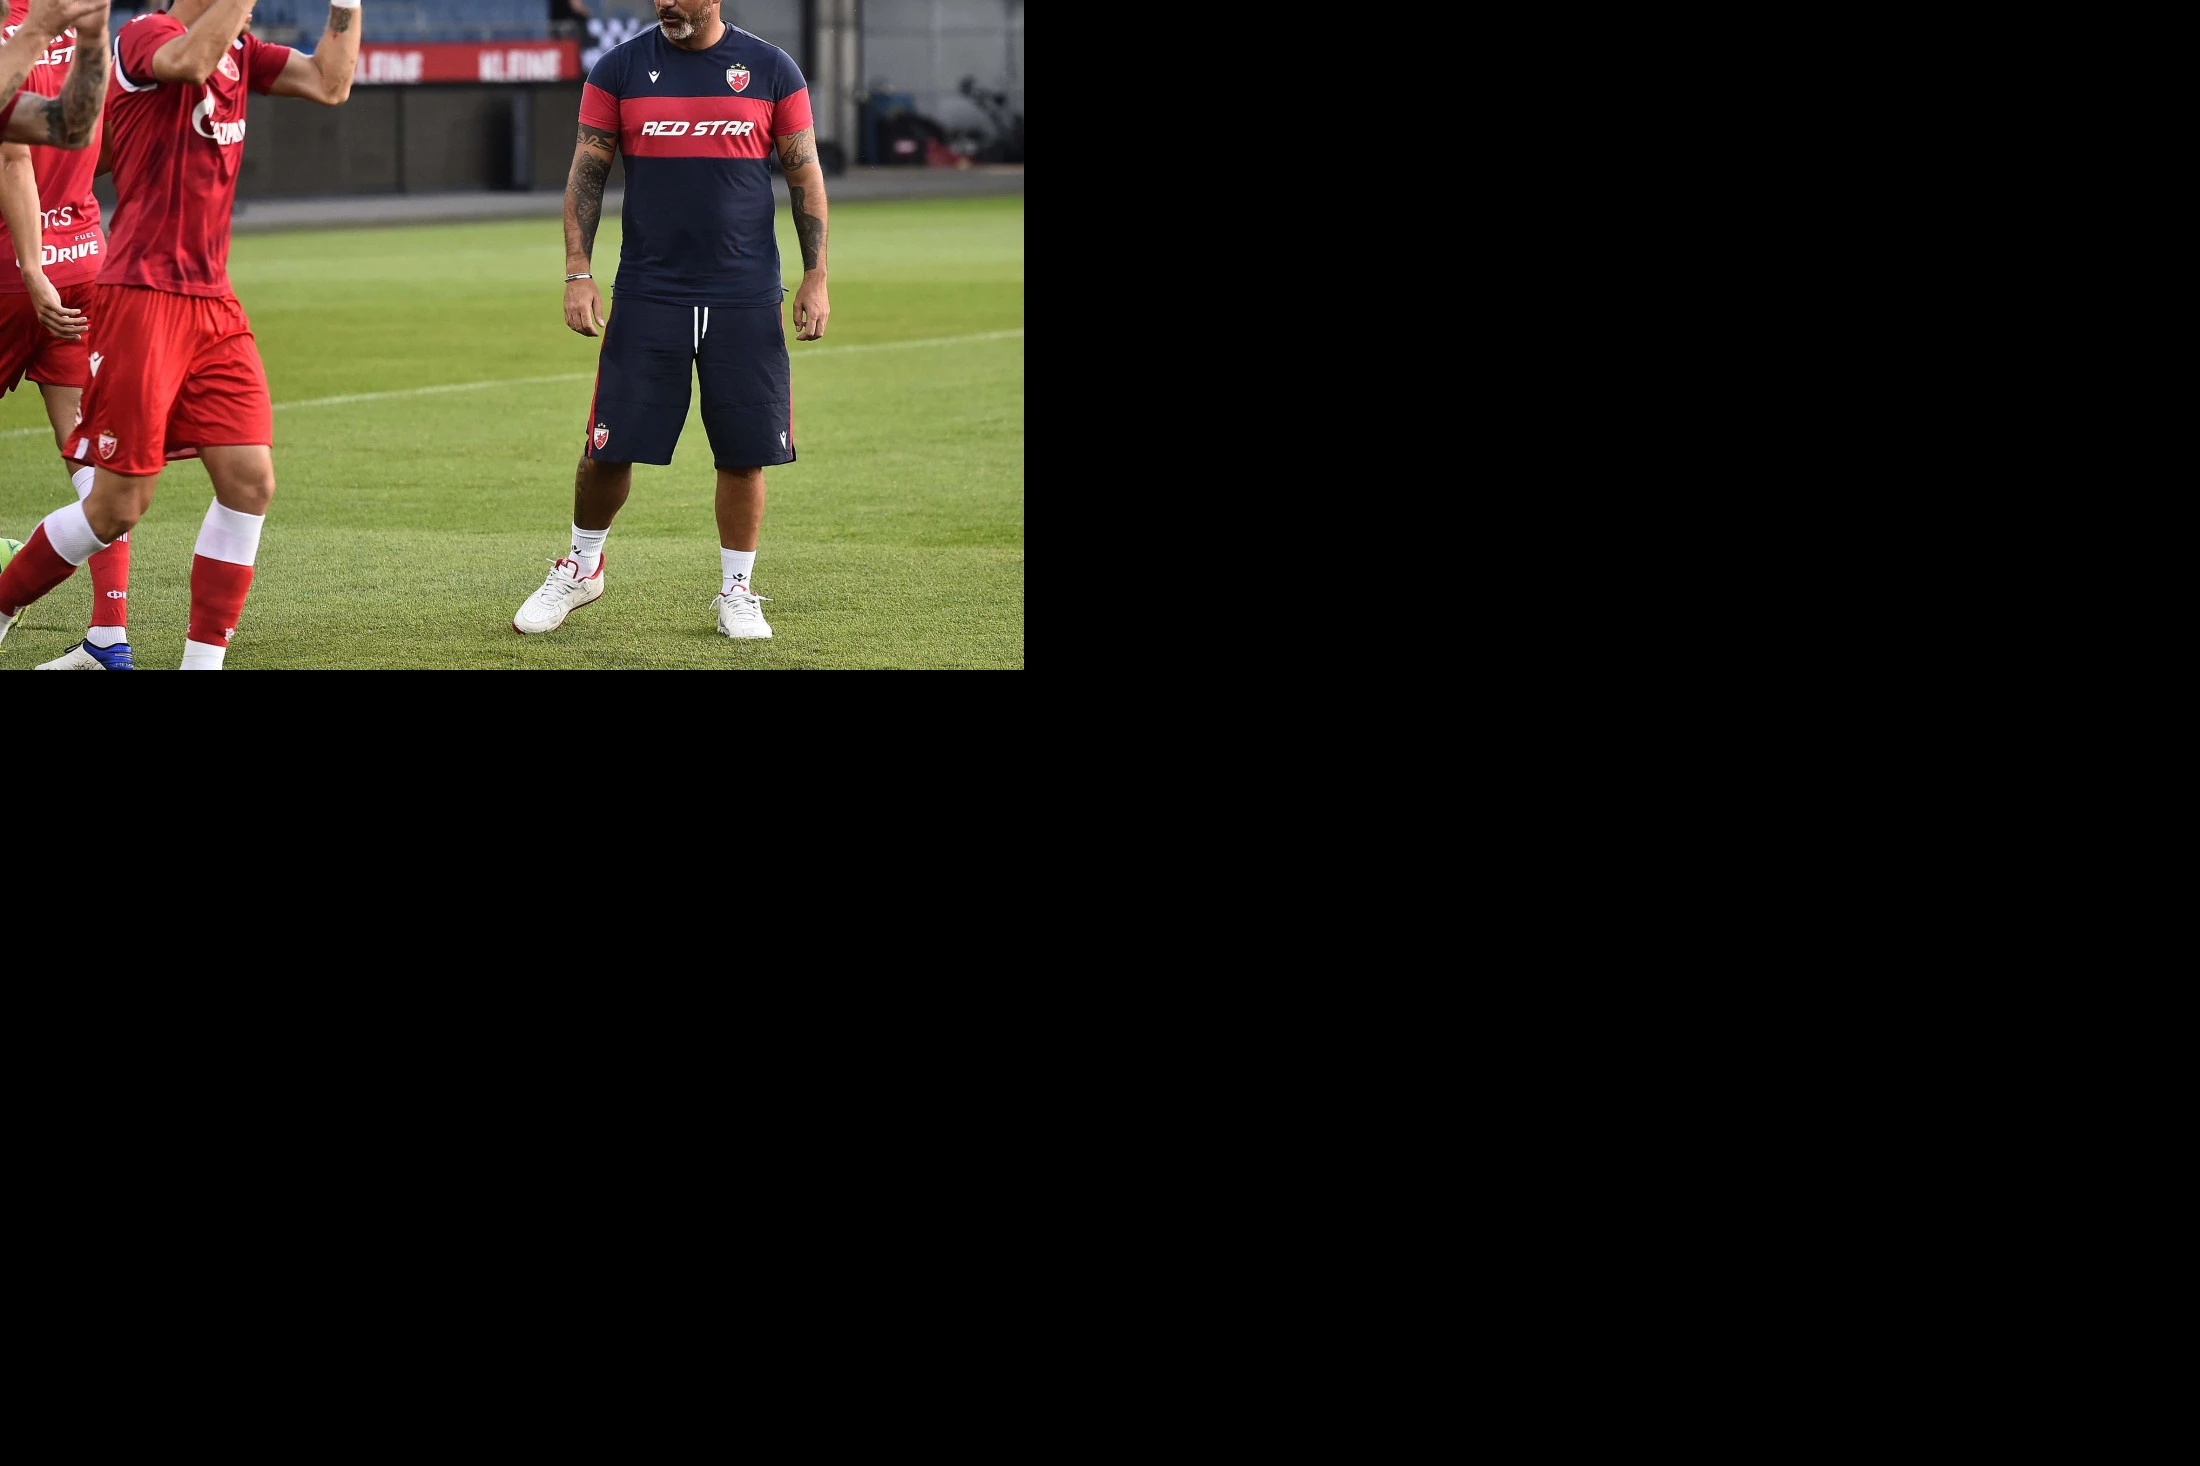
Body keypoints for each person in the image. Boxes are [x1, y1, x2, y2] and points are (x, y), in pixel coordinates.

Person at [0, 0, 363, 670]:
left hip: (211, 300)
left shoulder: (240, 48)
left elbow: (330, 82)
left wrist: (347, 5)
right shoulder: (147, 36)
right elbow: (191, 61)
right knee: (116, 506)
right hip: (141, 296)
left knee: (249, 481)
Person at [512, 0, 828, 643]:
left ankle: (737, 590)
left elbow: (804, 174)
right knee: (609, 447)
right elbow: (587, 173)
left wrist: (816, 275)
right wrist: (577, 272)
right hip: (649, 291)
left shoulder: (772, 69)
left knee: (743, 452)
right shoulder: (618, 69)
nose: (665, 3)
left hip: (745, 294)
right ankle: (582, 566)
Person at [0, 0, 121, 664]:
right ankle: (109, 633)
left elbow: (13, 159)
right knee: (90, 458)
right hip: (84, 258)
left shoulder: (17, 37)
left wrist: (31, 264)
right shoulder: (82, 30)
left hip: (13, 268)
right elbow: (92, 135)